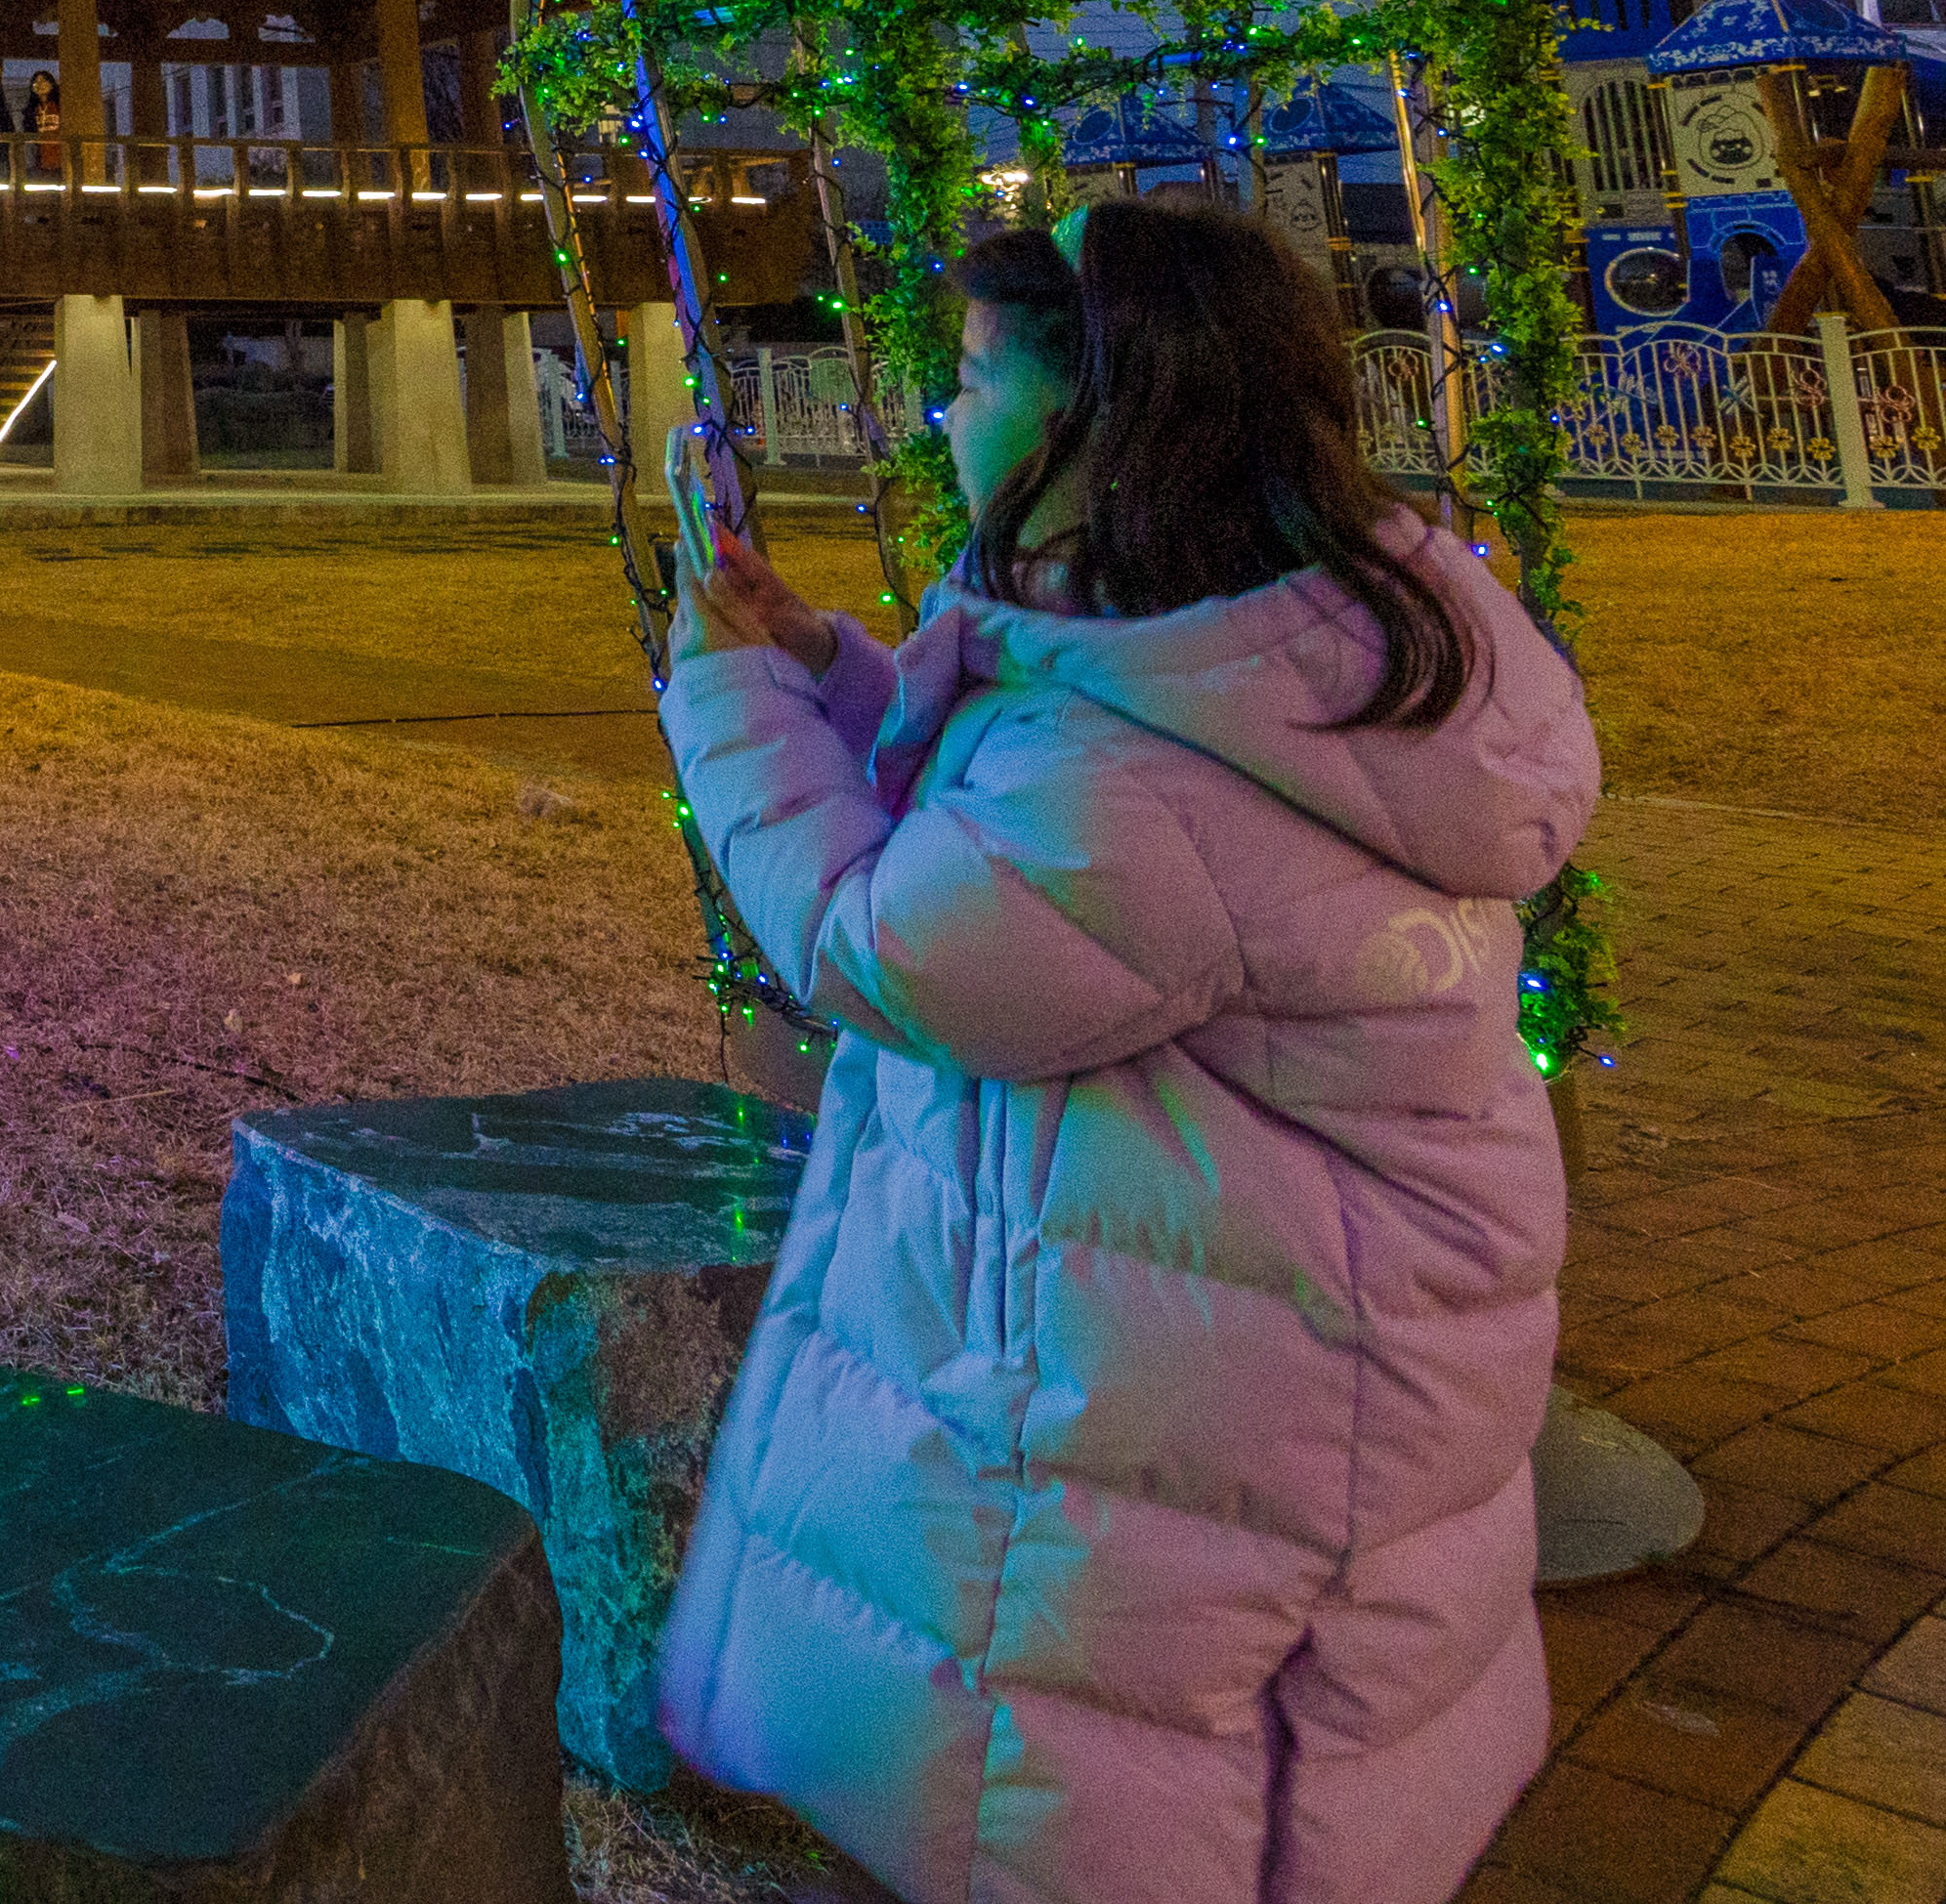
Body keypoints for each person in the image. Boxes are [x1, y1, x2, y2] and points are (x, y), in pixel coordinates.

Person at [654, 198, 1599, 1904]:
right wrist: (817, 659)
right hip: (1283, 1353)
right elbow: (1030, 823)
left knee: (1150, 1820)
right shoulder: (1285, 639)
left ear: (1099, 407)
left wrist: (720, 692)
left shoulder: (1138, 780)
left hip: (1181, 1438)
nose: (942, 417)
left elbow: (891, 940)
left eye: (969, 377)